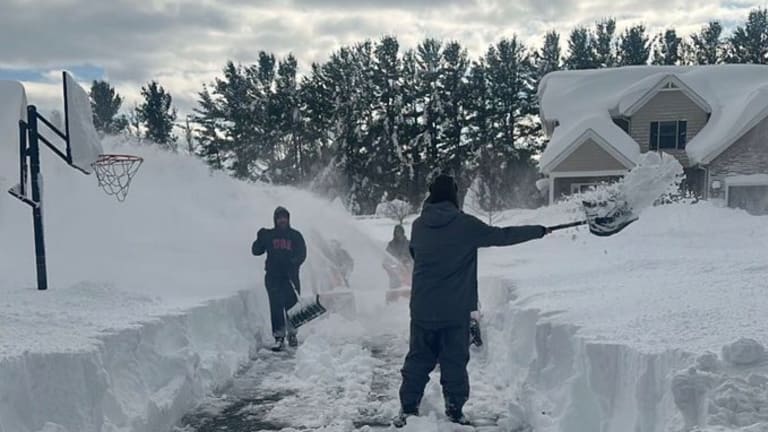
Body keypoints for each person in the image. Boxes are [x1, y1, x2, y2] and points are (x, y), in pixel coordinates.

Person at [394, 174, 549, 427]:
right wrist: (539, 231)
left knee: (418, 358)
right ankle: (454, 411)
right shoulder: (464, 224)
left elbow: (414, 253)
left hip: (422, 307)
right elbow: (503, 236)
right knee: (453, 360)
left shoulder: (419, 225)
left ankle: (408, 408)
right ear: (454, 196)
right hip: (454, 309)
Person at [252, 206, 307, 352]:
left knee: (292, 306)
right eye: (279, 218)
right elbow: (256, 251)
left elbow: (302, 253)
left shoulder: (295, 236)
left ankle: (292, 334)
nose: (282, 220)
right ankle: (279, 337)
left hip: (290, 277)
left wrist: (293, 263)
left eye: (285, 217)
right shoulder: (269, 235)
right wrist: (259, 238)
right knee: (276, 307)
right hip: (273, 277)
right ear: (275, 220)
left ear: (288, 219)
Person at [384, 225, 413, 289]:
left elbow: (414, 257)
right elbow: (386, 259)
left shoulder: (408, 244)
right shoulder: (391, 245)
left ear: (403, 232)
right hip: (395, 275)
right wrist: (388, 265)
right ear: (394, 233)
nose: (398, 234)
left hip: (408, 272)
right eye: (397, 232)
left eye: (400, 232)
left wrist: (407, 260)